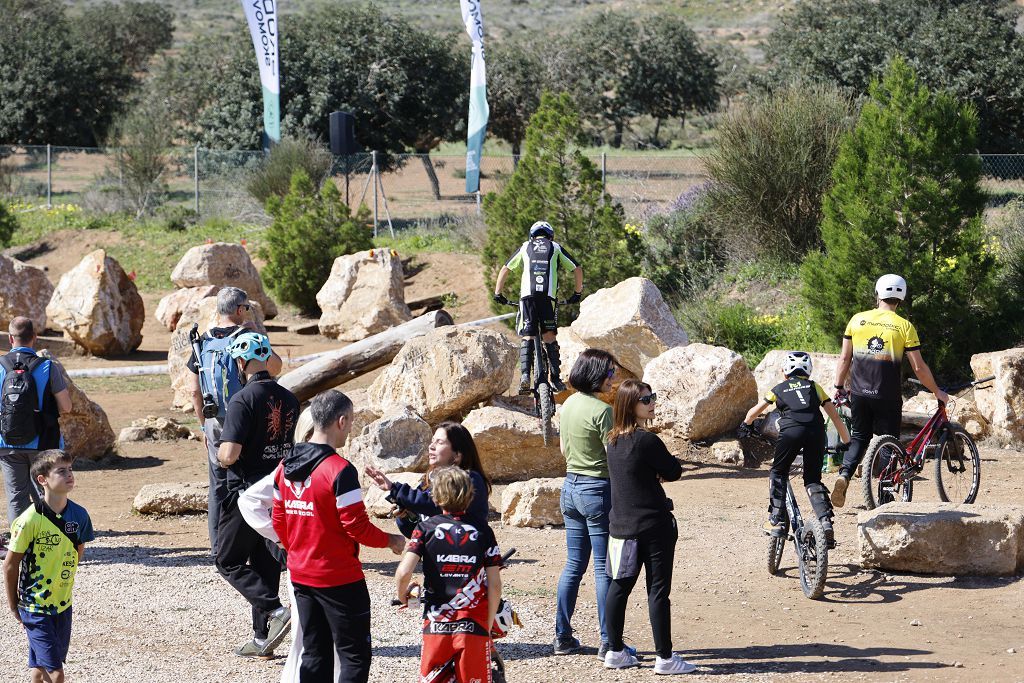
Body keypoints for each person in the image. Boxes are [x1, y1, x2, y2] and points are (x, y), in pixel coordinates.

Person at [272, 390, 405, 683]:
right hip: (340, 579)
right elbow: (356, 527)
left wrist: (297, 551)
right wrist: (391, 541)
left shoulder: (284, 466)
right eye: (352, 421)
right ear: (341, 421)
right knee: (354, 656)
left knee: (314, 652)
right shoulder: (341, 470)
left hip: (301, 575)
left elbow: (278, 520)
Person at [830, 274, 947, 508]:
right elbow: (918, 367)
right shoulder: (904, 326)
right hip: (887, 395)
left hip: (860, 393)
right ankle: (884, 497)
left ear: (878, 294)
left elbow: (845, 358)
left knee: (860, 438)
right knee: (888, 441)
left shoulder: (858, 320)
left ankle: (844, 475)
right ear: (900, 298)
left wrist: (838, 386)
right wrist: (937, 391)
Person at [602, 379, 695, 674]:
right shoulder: (647, 441)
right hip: (653, 525)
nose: (652, 402)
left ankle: (614, 651)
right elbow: (674, 471)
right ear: (631, 405)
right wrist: (660, 471)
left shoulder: (612, 440)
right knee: (657, 591)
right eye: (646, 399)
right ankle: (665, 658)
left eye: (652, 397)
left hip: (621, 527)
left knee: (619, 586)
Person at [215, 331, 298, 659]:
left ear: (240, 363)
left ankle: (275, 611)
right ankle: (262, 637)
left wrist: (218, 450)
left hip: (246, 492)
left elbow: (230, 454)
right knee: (264, 564)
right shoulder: (289, 398)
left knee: (228, 560)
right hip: (277, 489)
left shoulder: (242, 399)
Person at [187, 287, 282, 555]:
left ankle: (221, 549)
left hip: (215, 423)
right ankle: (267, 548)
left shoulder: (202, 341)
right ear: (240, 309)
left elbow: (194, 390)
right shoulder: (248, 337)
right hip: (249, 420)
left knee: (218, 488)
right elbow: (274, 367)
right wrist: (259, 334)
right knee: (258, 482)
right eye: (248, 308)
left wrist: (203, 426)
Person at [555, 348, 634, 660]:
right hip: (597, 489)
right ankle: (607, 641)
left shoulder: (569, 404)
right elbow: (615, 457)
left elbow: (563, 450)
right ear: (597, 375)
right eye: (610, 374)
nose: (612, 379)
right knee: (604, 568)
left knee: (574, 565)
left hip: (570, 486)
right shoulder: (602, 412)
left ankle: (562, 636)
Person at [395, 466, 502, 683]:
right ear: (470, 494)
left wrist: (401, 595)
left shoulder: (425, 529)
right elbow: (496, 585)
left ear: (436, 496)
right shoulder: (483, 531)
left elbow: (404, 572)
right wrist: (488, 623)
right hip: (473, 622)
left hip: (436, 623)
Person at [740, 352, 851, 548]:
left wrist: (746, 426)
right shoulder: (814, 387)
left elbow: (755, 411)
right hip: (816, 433)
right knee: (812, 480)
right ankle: (825, 521)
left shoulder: (779, 388)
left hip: (791, 432)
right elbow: (834, 417)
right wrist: (846, 441)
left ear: (785, 372)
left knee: (778, 471)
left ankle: (776, 520)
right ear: (808, 372)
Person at [3, 450, 94, 683]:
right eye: (61, 471)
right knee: (56, 673)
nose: (69, 475)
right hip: (34, 607)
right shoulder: (29, 520)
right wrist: (15, 605)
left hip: (63, 604)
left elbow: (78, 550)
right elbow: (10, 565)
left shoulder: (80, 515)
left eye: (71, 469)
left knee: (42, 667)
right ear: (42, 480)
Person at [493, 220, 583, 393]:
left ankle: (525, 376)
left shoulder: (525, 246)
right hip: (548, 298)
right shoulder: (555, 247)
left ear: (532, 235)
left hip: (527, 297)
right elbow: (577, 268)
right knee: (549, 336)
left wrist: (498, 293)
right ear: (550, 235)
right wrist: (577, 293)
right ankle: (556, 378)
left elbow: (505, 268)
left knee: (528, 335)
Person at [0, 318, 72, 528]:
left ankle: (20, 546)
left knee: (16, 496)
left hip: (7, 443)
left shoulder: (0, 367)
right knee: (47, 492)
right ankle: (49, 540)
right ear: (35, 338)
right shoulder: (48, 366)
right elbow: (66, 406)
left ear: (10, 339)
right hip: (42, 442)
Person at [363, 421, 491, 537]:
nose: (431, 446)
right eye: (432, 441)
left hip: (465, 555)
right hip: (438, 554)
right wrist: (407, 517)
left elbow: (433, 504)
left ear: (457, 455)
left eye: (439, 442)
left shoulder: (470, 480)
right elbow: (418, 530)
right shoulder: (430, 479)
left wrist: (395, 489)